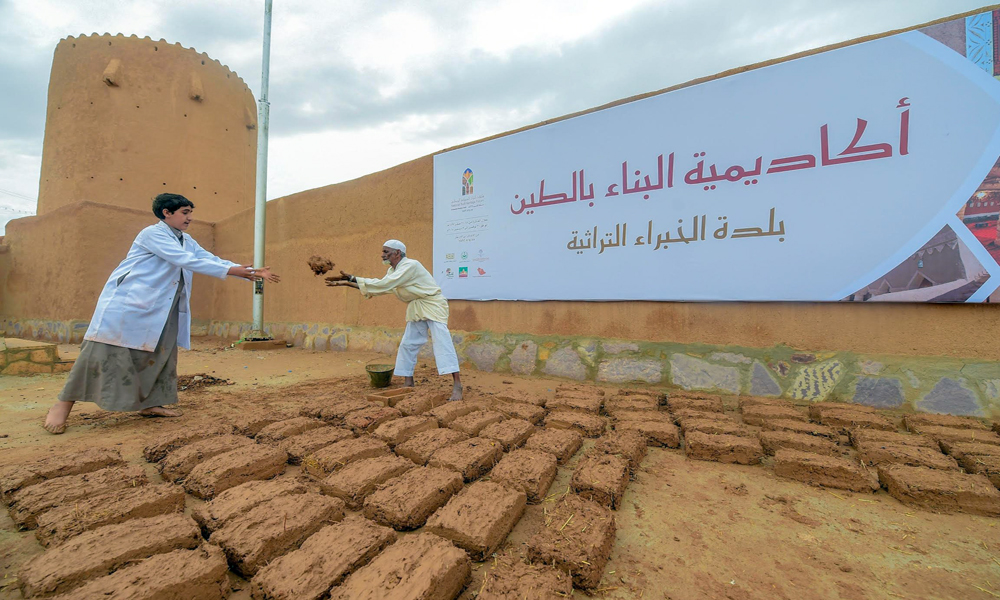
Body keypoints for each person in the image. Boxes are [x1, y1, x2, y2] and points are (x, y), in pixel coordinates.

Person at [42, 193, 279, 434]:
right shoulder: (152, 234)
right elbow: (184, 260)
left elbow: (207, 258)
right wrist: (232, 271)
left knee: (160, 352)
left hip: (163, 307)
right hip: (130, 306)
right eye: (184, 212)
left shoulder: (186, 240)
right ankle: (62, 405)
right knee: (101, 353)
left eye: (190, 212)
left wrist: (248, 270)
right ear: (167, 212)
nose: (189, 218)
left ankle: (151, 404)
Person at [326, 240, 463, 401]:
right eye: (383, 251)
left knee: (442, 342)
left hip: (432, 304)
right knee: (408, 343)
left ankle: (457, 385)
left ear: (397, 253)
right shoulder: (393, 271)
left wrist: (353, 278)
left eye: (386, 252)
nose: (383, 255)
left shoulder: (411, 265)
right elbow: (381, 287)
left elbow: (385, 284)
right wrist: (348, 283)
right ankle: (408, 382)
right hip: (417, 306)